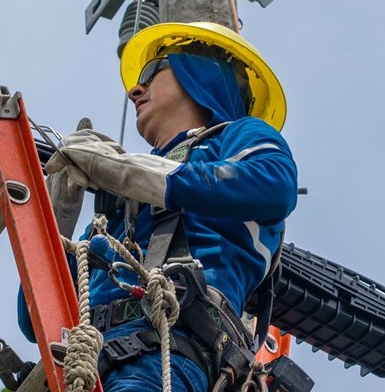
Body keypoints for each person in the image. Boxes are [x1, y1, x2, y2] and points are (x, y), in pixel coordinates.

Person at [18, 22, 298, 391]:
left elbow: (273, 185)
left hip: (168, 349)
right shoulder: (122, 205)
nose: (135, 89)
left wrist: (144, 175)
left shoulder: (238, 136)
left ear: (204, 75)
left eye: (153, 72)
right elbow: (32, 320)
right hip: (86, 361)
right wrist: (57, 219)